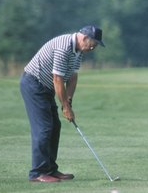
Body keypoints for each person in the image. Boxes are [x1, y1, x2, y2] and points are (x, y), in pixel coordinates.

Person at [20, 26, 105, 183]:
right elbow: (57, 79)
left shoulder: (78, 51)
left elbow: (72, 77)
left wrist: (69, 102)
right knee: (44, 128)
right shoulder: (64, 47)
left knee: (55, 126)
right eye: (93, 43)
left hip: (46, 88)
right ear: (85, 37)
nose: (93, 48)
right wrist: (65, 107)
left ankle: (50, 169)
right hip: (34, 84)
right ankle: (37, 173)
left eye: (96, 45)